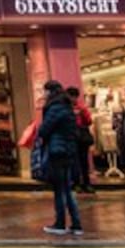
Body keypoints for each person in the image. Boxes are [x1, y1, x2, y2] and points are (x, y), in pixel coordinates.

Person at [39, 80, 83, 236]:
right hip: (68, 151)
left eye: (44, 91)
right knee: (67, 188)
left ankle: (60, 224)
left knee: (59, 189)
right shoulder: (67, 107)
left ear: (50, 92)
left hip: (57, 151)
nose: (43, 94)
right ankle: (76, 224)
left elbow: (44, 130)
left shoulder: (54, 108)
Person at [67, 86, 95, 194]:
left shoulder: (82, 108)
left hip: (81, 138)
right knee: (75, 162)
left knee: (83, 162)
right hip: (72, 137)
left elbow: (88, 121)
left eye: (74, 96)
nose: (72, 99)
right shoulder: (65, 108)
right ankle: (76, 183)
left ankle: (86, 184)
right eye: (71, 96)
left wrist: (82, 114)